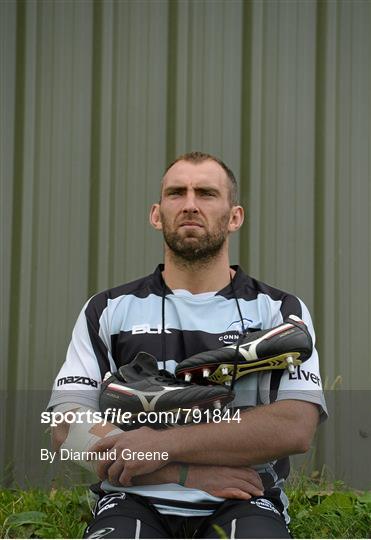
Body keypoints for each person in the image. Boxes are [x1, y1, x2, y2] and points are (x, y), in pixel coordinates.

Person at [48, 151, 328, 539]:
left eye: (207, 193)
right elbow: (65, 427)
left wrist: (159, 444)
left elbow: (294, 426)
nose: (191, 204)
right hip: (133, 495)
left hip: (244, 497)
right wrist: (183, 473)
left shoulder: (279, 311)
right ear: (156, 214)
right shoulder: (107, 309)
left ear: (235, 217)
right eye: (177, 193)